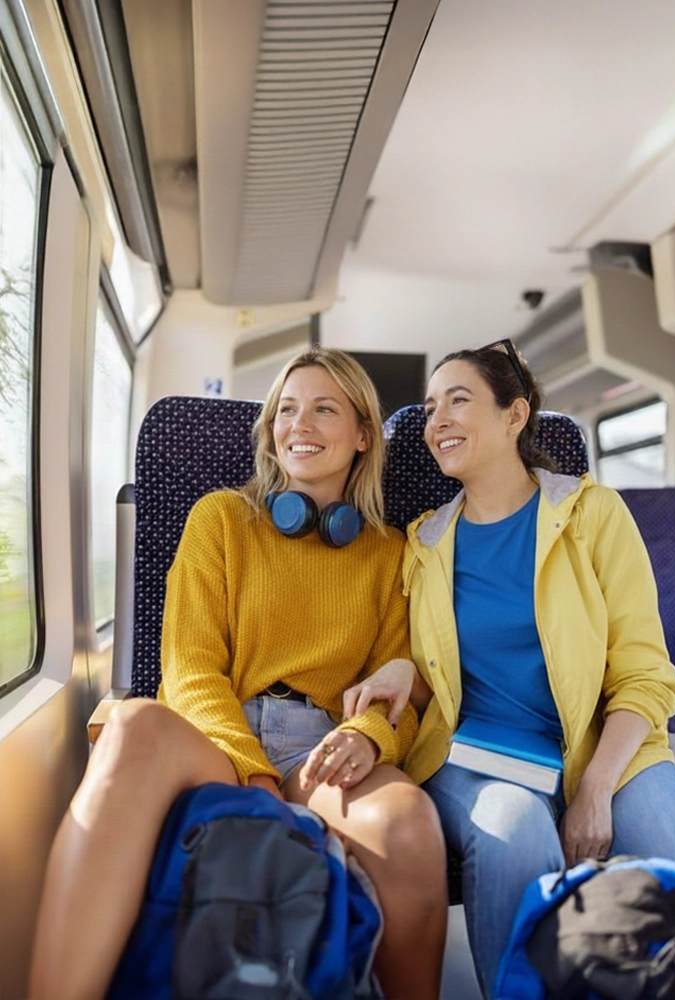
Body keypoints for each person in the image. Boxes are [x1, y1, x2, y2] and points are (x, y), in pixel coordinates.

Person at [29, 347, 447, 1000]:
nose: (298, 425)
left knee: (409, 827)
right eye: (286, 409)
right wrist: (251, 770)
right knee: (134, 724)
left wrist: (367, 737)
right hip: (215, 735)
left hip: (320, 744)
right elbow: (190, 668)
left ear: (364, 434)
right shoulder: (221, 518)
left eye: (324, 409)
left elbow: (399, 691)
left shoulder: (391, 553)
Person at [344, 340, 675, 999]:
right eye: (431, 408)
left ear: (515, 415)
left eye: (458, 400)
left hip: (604, 746)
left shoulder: (594, 515)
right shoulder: (424, 543)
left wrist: (596, 789)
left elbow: (645, 675)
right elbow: (432, 665)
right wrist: (405, 668)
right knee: (515, 831)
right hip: (476, 753)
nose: (437, 421)